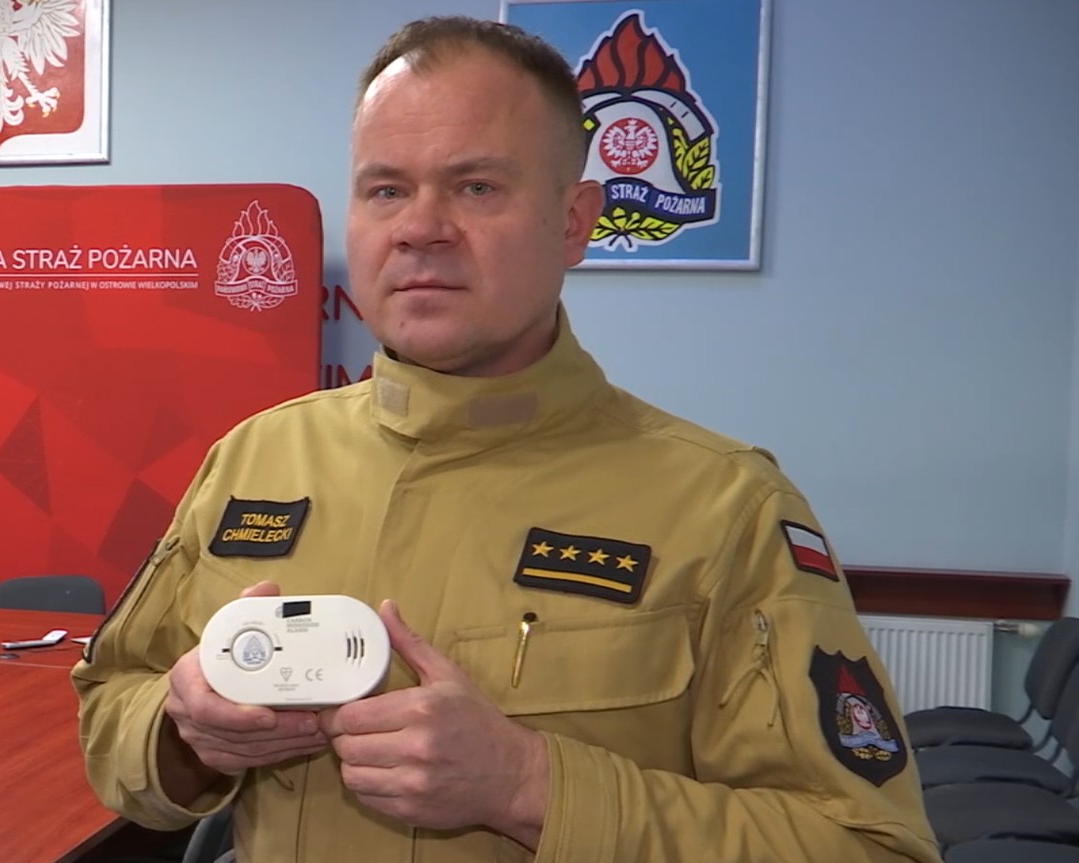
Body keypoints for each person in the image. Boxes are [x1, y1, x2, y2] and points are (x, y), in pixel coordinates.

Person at [73, 15, 939, 863]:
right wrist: (184, 733)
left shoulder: (724, 506)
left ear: (574, 222)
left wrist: (530, 785)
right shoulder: (253, 458)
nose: (420, 226)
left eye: (476, 187)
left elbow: (865, 843)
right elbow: (110, 709)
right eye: (386, 189)